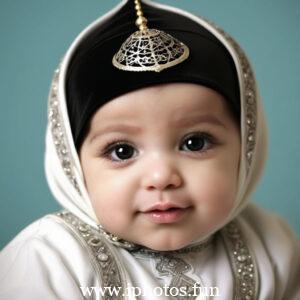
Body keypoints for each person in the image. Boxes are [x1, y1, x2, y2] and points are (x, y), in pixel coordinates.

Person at [0, 0, 299, 299]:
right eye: (122, 151)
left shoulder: (270, 243)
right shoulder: (48, 259)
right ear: (74, 167)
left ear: (247, 145)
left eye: (194, 142)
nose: (161, 176)